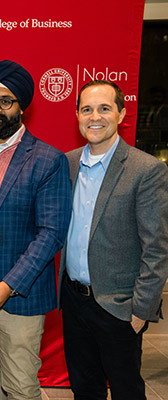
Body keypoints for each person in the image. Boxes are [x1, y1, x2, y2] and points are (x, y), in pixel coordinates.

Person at [0, 60, 71, 400]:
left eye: (6, 101)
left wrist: (9, 285)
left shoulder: (47, 159)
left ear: (22, 106)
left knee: (20, 386)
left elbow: (51, 233)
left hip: (19, 294)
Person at [59, 80, 168, 400]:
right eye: (87, 109)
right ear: (77, 115)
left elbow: (157, 247)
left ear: (121, 113)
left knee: (126, 392)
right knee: (85, 390)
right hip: (74, 302)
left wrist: (140, 311)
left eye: (105, 108)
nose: (95, 116)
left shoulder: (145, 170)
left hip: (120, 307)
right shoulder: (67, 163)